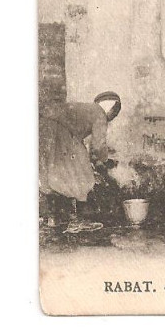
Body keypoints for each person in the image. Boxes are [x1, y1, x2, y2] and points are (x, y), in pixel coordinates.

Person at [39, 91, 121, 233]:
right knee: (81, 175)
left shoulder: (87, 109)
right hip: (59, 132)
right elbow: (98, 145)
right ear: (111, 107)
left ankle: (51, 217)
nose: (113, 117)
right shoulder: (99, 113)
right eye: (114, 113)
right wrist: (105, 161)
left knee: (53, 174)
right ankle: (75, 221)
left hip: (42, 130)